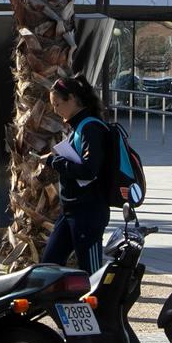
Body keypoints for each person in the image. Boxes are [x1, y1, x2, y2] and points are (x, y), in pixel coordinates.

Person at [40, 74, 111, 274]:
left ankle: (98, 306)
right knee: (48, 266)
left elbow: (89, 170)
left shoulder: (90, 128)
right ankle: (57, 305)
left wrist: (55, 161)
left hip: (88, 212)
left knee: (92, 273)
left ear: (71, 99)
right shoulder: (78, 128)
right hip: (70, 210)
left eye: (57, 104)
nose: (55, 110)